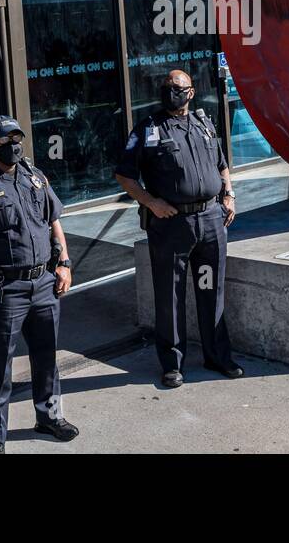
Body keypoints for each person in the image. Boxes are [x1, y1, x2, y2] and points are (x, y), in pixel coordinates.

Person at [0, 115, 80, 453]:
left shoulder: (35, 177)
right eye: (6, 140)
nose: (14, 145)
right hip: (5, 291)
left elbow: (54, 222)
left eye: (17, 138)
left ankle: (49, 417)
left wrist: (64, 263)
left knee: (46, 356)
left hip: (44, 283)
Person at [115, 69, 242, 388]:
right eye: (166, 88)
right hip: (172, 226)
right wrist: (151, 203)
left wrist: (229, 194)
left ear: (191, 91)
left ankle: (217, 356)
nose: (171, 92)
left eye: (177, 88)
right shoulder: (148, 129)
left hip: (211, 222)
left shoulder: (204, 123)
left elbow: (222, 165)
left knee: (211, 291)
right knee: (170, 296)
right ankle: (172, 365)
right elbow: (125, 176)